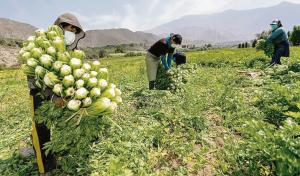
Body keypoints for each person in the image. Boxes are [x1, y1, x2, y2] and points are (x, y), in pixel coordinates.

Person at [26, 13, 85, 175]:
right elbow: (32, 78)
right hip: (40, 94)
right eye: (69, 27)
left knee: (61, 124)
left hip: (62, 96)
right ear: (60, 27)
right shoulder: (42, 46)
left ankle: (51, 151)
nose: (72, 31)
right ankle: (45, 168)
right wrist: (52, 96)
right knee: (41, 129)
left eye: (75, 29)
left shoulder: (69, 51)